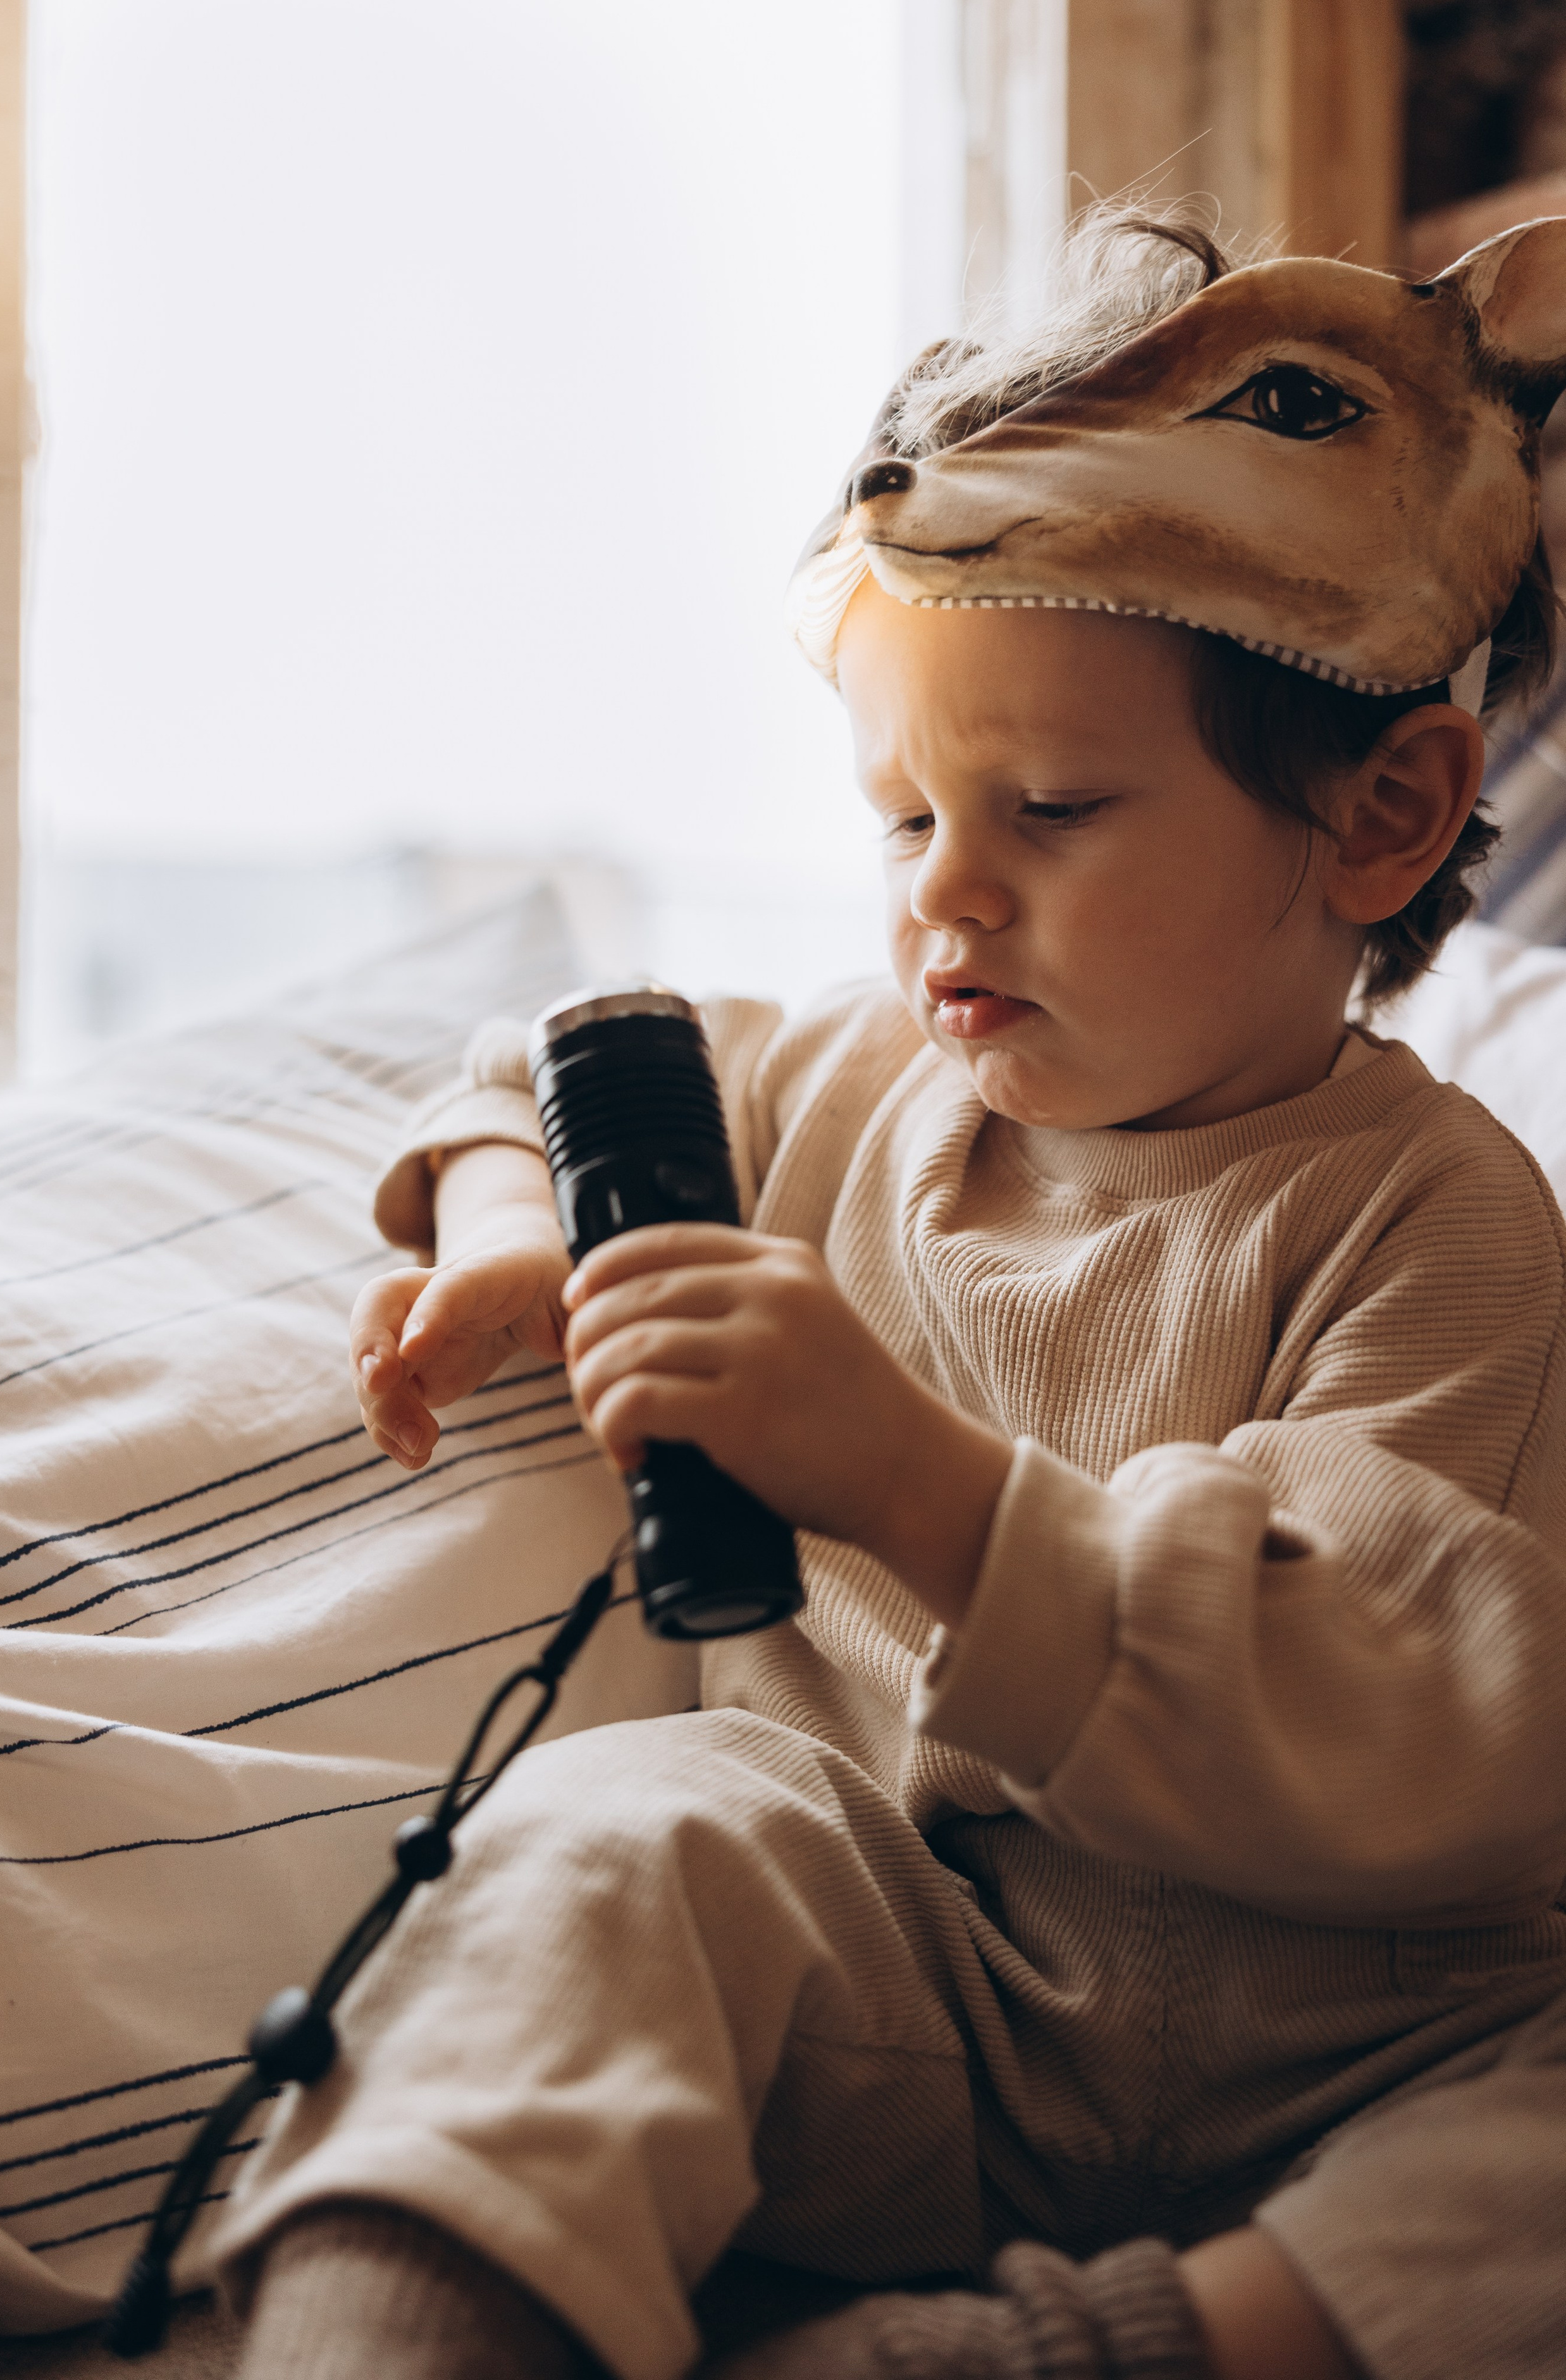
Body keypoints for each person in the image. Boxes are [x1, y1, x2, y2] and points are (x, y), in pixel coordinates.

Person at [210, 211, 1566, 2380]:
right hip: (909, 1990)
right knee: (616, 1829)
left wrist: (924, 1486)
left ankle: (1071, 2348)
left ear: (1388, 815)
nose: (948, 886)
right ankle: (387, 2324)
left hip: (1349, 2056)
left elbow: (1411, 1709)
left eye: (1049, 805)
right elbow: (547, 1065)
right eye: (902, 812)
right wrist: (520, 1238)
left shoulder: (1438, 1218)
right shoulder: (850, 1072)